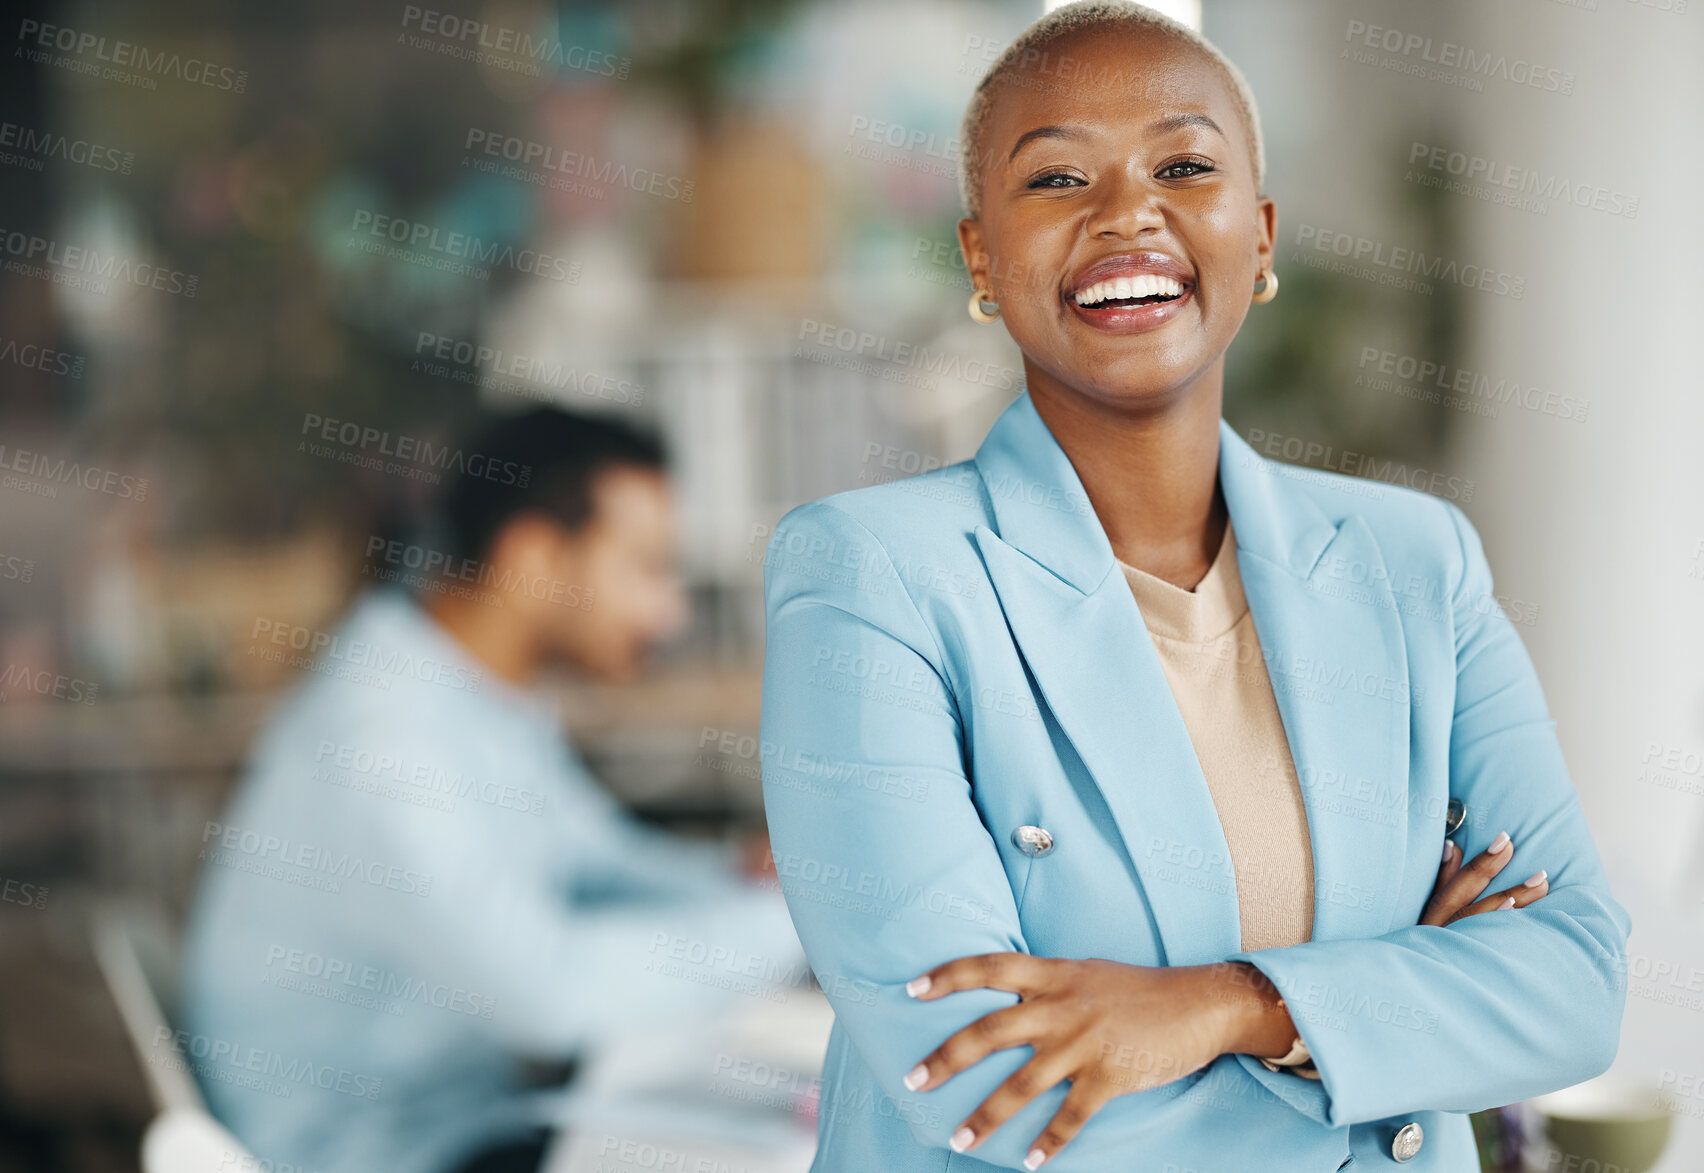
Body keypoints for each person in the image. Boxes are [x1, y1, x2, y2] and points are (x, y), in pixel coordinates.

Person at [758, 3, 1630, 1171]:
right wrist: (1393, 1013)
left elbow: (1573, 983)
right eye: (1058, 178)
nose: (1128, 212)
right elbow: (992, 1084)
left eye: (1183, 165)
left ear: (1260, 238)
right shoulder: (870, 576)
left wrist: (1222, 1006)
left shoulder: (1416, 561)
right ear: (980, 256)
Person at [181, 407, 802, 1173]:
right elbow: (547, 993)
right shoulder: (385, 739)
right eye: (646, 567)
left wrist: (746, 876)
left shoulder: (468, 694)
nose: (670, 612)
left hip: (465, 1119)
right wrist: (800, 918)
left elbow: (593, 862)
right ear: (534, 555)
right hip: (380, 1154)